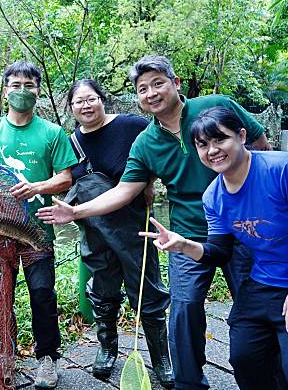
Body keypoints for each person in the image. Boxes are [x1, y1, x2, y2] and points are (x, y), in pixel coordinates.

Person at [36, 55, 272, 390]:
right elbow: (124, 190)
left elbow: (262, 149)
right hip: (186, 233)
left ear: (175, 83)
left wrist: (268, 205)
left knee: (254, 307)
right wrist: (75, 212)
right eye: (142, 88)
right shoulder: (146, 141)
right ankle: (189, 382)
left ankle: (264, 375)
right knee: (184, 309)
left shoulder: (216, 107)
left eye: (158, 83)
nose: (151, 93)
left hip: (244, 227)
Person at [140, 106, 288, 390]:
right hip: (264, 282)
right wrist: (184, 246)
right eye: (203, 144)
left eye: (220, 139)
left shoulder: (284, 169)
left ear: (242, 136)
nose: (212, 150)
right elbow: (220, 251)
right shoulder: (213, 196)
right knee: (245, 359)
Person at [0, 61, 77, 388]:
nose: (21, 91)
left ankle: (47, 358)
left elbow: (65, 177)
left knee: (42, 293)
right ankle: (3, 358)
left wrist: (37, 188)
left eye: (28, 85)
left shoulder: (52, 133)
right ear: (4, 91)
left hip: (37, 230)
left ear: (38, 91)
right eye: (15, 85)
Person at [64, 79, 172, 386]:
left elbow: (157, 148)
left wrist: (150, 182)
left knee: (147, 288)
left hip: (134, 225)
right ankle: (107, 348)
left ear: (102, 99)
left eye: (91, 99)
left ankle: (161, 357)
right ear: (71, 108)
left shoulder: (130, 126)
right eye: (78, 102)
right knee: (103, 290)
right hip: (95, 230)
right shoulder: (71, 142)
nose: (86, 106)